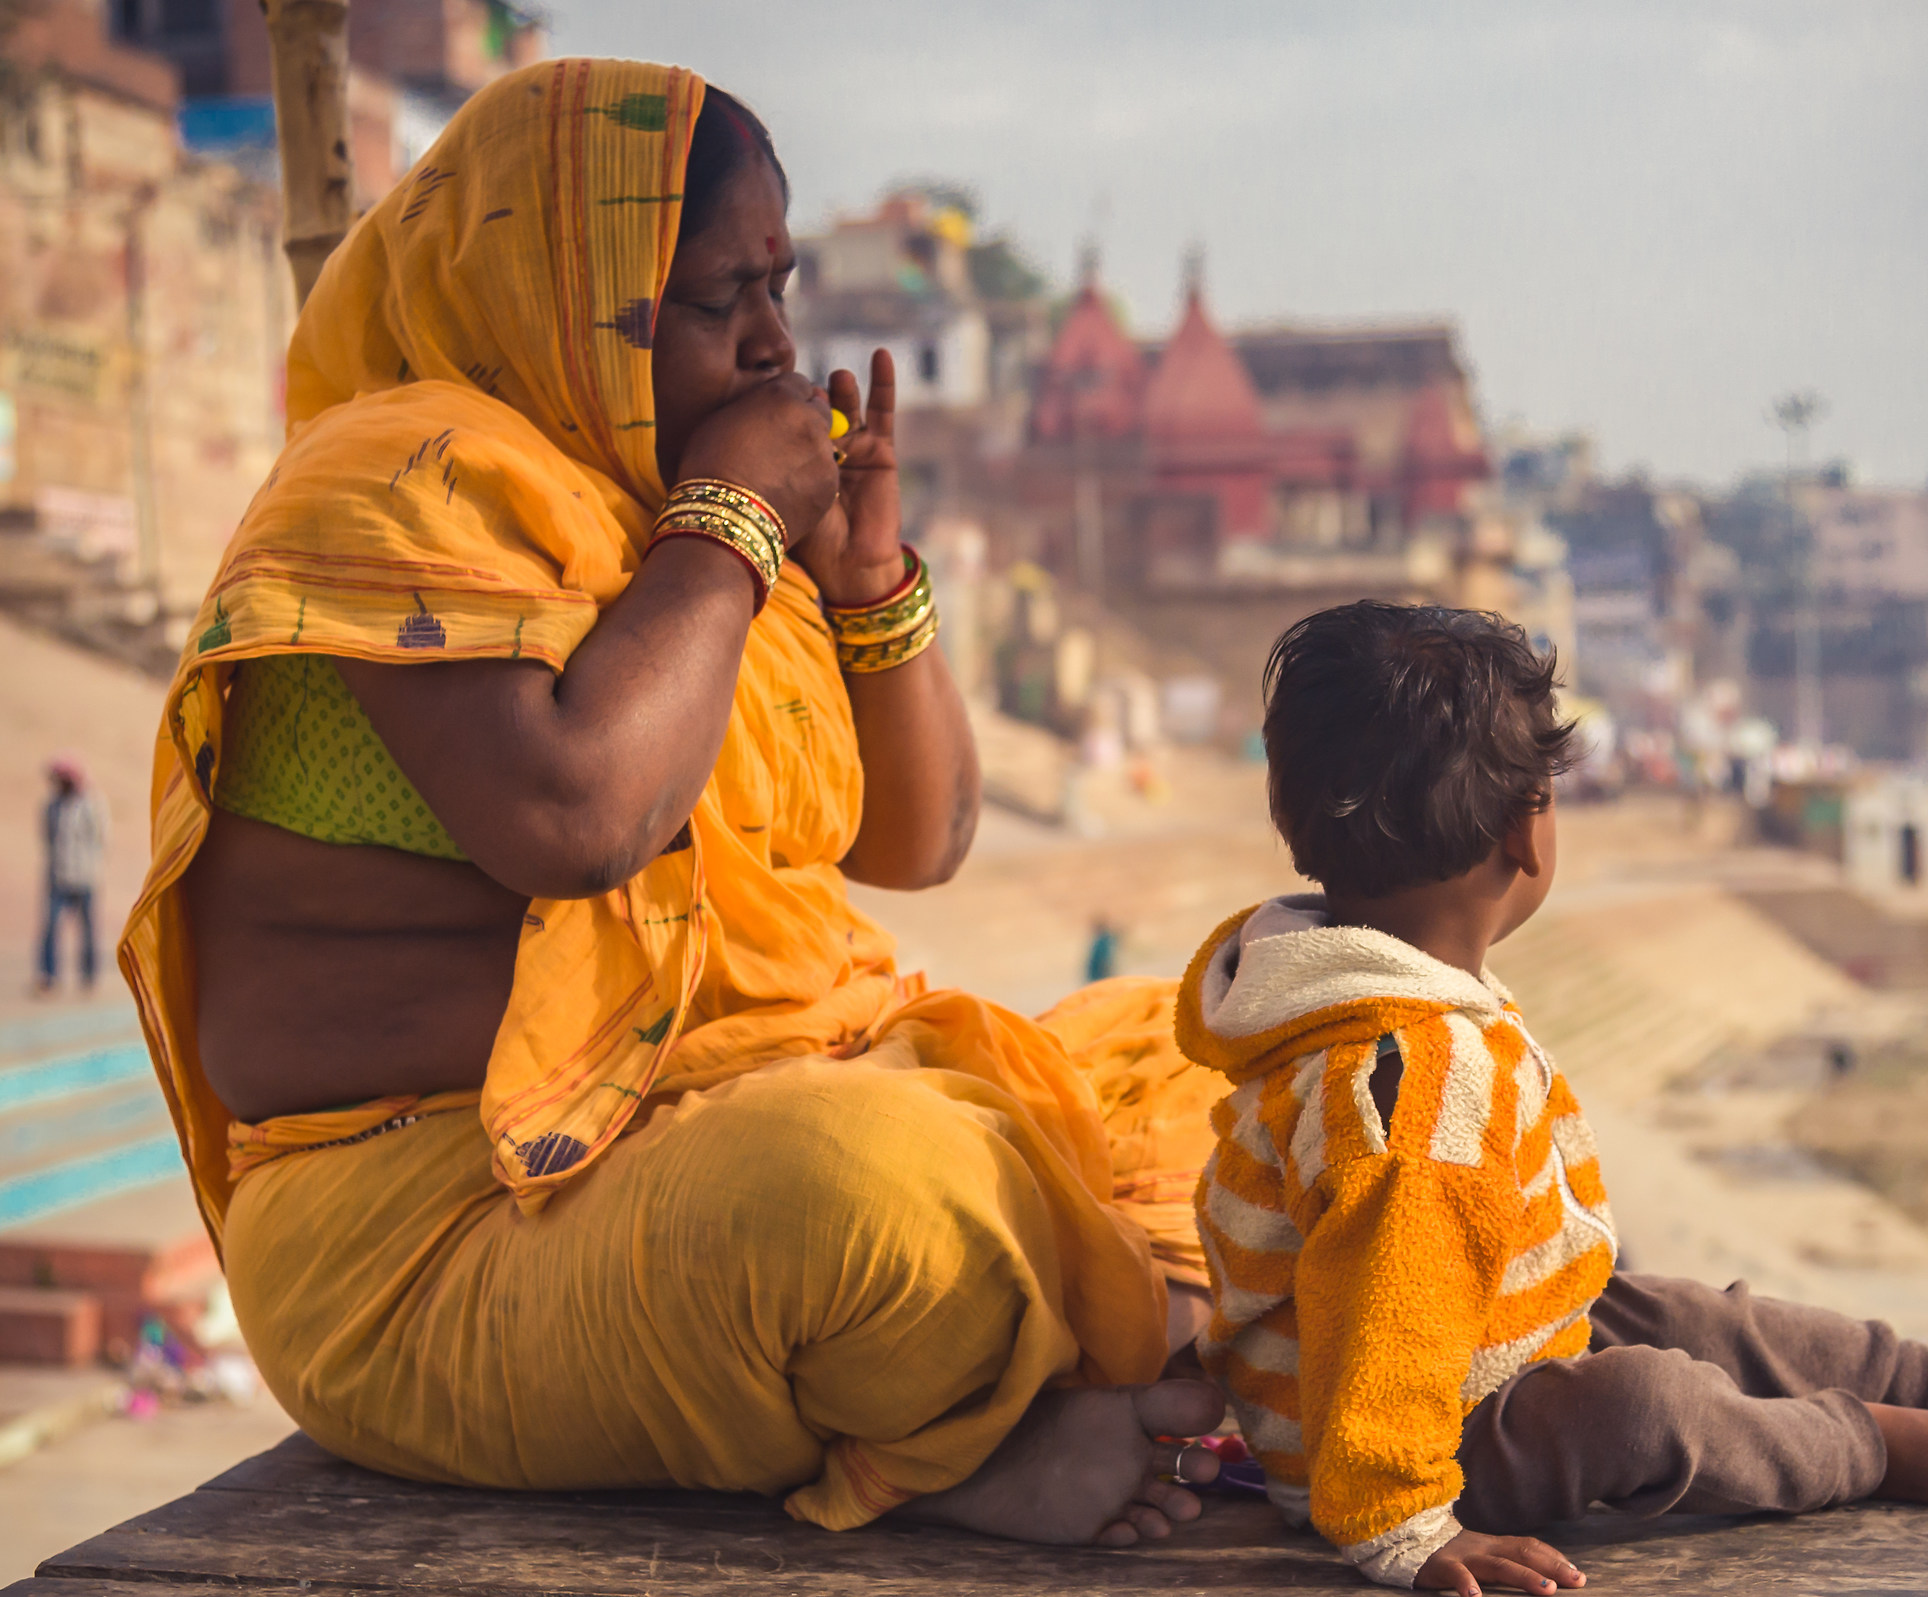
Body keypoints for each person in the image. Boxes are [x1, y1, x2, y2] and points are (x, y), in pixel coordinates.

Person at [121, 62, 1231, 1548]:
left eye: (779, 287)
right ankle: (1017, 1409)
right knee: (874, 1197)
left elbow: (921, 841)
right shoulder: (396, 482)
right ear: (567, 296)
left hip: (716, 1123)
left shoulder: (661, 509)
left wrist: (867, 583)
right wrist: (734, 528)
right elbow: (580, 814)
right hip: (439, 1225)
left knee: (1237, 1054)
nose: (778, 343)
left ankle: (1094, 1347)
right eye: (720, 301)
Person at [1180, 602, 1928, 1596]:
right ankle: (1873, 1443)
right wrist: (1406, 1529)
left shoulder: (1384, 999)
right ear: (1525, 831)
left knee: (1691, 1315)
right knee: (1646, 1405)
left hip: (1470, 1354)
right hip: (1410, 1441)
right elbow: (1385, 1316)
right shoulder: (1417, 1085)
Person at [38, 754, 106, 993]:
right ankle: (48, 975)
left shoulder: (90, 805)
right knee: (50, 927)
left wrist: (94, 868)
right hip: (58, 877)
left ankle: (89, 975)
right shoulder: (52, 806)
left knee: (88, 929)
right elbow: (47, 838)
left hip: (85, 876)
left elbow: (101, 838)